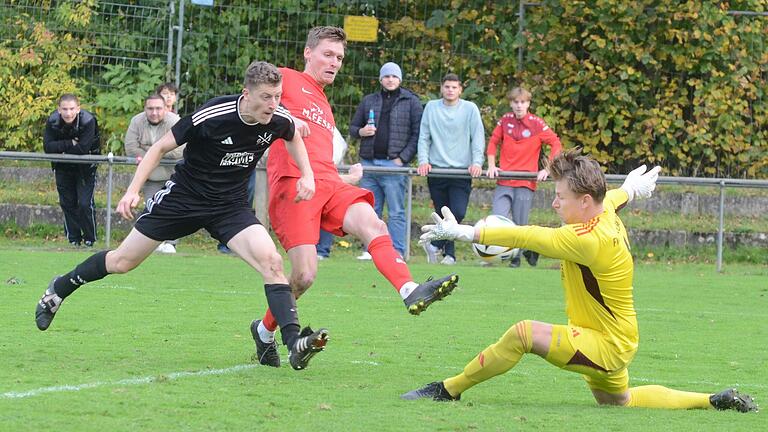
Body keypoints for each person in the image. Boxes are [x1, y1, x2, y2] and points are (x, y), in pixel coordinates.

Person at [402, 149, 757, 413]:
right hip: (616, 339)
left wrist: (464, 232)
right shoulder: (603, 211)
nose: (554, 203)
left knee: (523, 333)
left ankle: (448, 389)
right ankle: (714, 401)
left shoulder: (587, 240)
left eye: (560, 196)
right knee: (620, 402)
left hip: (605, 344)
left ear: (585, 202)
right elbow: (618, 196)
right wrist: (631, 187)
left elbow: (528, 236)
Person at [35, 61, 329, 371]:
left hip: (229, 206)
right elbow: (160, 147)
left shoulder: (277, 118)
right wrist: (133, 189)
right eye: (267, 97)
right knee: (122, 262)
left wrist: (307, 176)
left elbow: (294, 135)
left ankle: (293, 342)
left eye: (278, 97)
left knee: (272, 262)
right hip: (184, 199)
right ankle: (60, 289)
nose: (274, 105)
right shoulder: (214, 115)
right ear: (247, 94)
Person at [257, 26, 459, 368]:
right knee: (304, 275)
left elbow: (321, 152)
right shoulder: (286, 79)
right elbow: (252, 104)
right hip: (295, 185)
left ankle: (408, 288)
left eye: (339, 58)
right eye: (328, 55)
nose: (335, 63)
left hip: (329, 182)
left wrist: (342, 174)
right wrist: (282, 115)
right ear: (308, 53)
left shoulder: (323, 101)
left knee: (373, 223)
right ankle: (263, 332)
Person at [349, 61, 422, 260]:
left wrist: (403, 159)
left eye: (394, 76)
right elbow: (353, 129)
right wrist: (362, 131)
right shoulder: (369, 101)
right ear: (381, 79)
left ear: (400, 79)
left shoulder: (412, 102)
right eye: (387, 76)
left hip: (394, 166)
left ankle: (397, 250)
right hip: (369, 164)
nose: (390, 79)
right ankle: (370, 250)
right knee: (371, 210)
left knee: (397, 211)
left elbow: (417, 134)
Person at [486, 86, 562, 268]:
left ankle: (517, 258)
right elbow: (493, 142)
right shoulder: (505, 121)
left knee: (520, 224)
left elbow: (556, 143)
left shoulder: (536, 123)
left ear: (528, 103)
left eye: (523, 102)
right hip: (504, 179)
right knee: (498, 218)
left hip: (525, 181)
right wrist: (491, 165)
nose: (519, 106)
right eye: (515, 102)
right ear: (511, 103)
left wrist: (548, 168)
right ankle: (501, 255)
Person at [417, 73, 485, 265]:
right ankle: (450, 255)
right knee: (442, 213)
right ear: (441, 88)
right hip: (437, 170)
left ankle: (436, 245)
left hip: (461, 171)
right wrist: (423, 160)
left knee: (457, 212)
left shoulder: (470, 109)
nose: (450, 90)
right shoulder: (431, 107)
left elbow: (477, 137)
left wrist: (477, 162)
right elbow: (424, 136)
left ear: (460, 90)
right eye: (447, 86)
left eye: (454, 87)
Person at [124, 94, 185, 254]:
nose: (154, 112)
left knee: (175, 210)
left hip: (173, 177)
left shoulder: (174, 122)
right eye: (150, 108)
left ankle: (171, 243)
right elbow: (130, 148)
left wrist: (149, 149)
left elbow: (180, 150)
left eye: (158, 108)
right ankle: (154, 243)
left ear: (166, 108)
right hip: (151, 177)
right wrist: (159, 150)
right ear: (145, 109)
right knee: (152, 210)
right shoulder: (137, 121)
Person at [43, 94, 101, 247]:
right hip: (62, 167)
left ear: (78, 109)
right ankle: (74, 239)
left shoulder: (88, 120)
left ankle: (90, 238)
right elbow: (48, 147)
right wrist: (70, 143)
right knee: (67, 203)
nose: (68, 113)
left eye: (72, 109)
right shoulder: (52, 121)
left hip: (85, 168)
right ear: (59, 109)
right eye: (65, 109)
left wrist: (61, 149)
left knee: (84, 203)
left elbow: (83, 148)